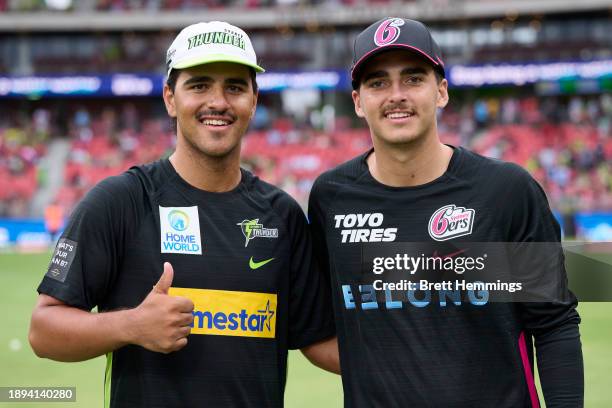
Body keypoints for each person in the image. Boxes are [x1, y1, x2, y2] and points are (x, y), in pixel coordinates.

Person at [29, 21, 338, 408]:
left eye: (235, 87)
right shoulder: (121, 201)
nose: (219, 101)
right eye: (199, 85)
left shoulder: (283, 216)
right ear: (170, 98)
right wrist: (131, 325)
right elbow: (43, 331)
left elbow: (319, 340)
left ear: (254, 100)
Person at [308, 17, 583, 407]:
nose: (396, 94)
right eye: (377, 82)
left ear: (441, 92)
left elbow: (554, 324)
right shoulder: (331, 198)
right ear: (358, 101)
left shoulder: (506, 191)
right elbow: (316, 327)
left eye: (413, 78)